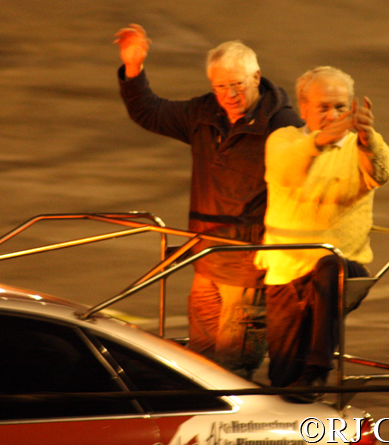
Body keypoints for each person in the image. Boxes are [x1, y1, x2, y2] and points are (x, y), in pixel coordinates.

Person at [113, 24, 303, 378]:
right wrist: (134, 68)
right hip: (206, 261)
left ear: (256, 77)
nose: (230, 95)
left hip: (248, 272)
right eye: (221, 87)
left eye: (238, 84)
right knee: (198, 367)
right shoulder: (204, 115)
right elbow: (150, 112)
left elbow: (305, 185)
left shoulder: (282, 127)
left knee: (231, 371)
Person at [254, 66, 389, 400]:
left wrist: (368, 139)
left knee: (330, 263)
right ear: (303, 108)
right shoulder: (283, 140)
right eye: (324, 107)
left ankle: (319, 369)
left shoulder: (362, 146)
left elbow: (382, 171)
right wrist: (319, 141)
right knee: (284, 377)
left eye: (341, 107)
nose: (333, 115)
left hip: (343, 270)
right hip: (286, 271)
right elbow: (285, 172)